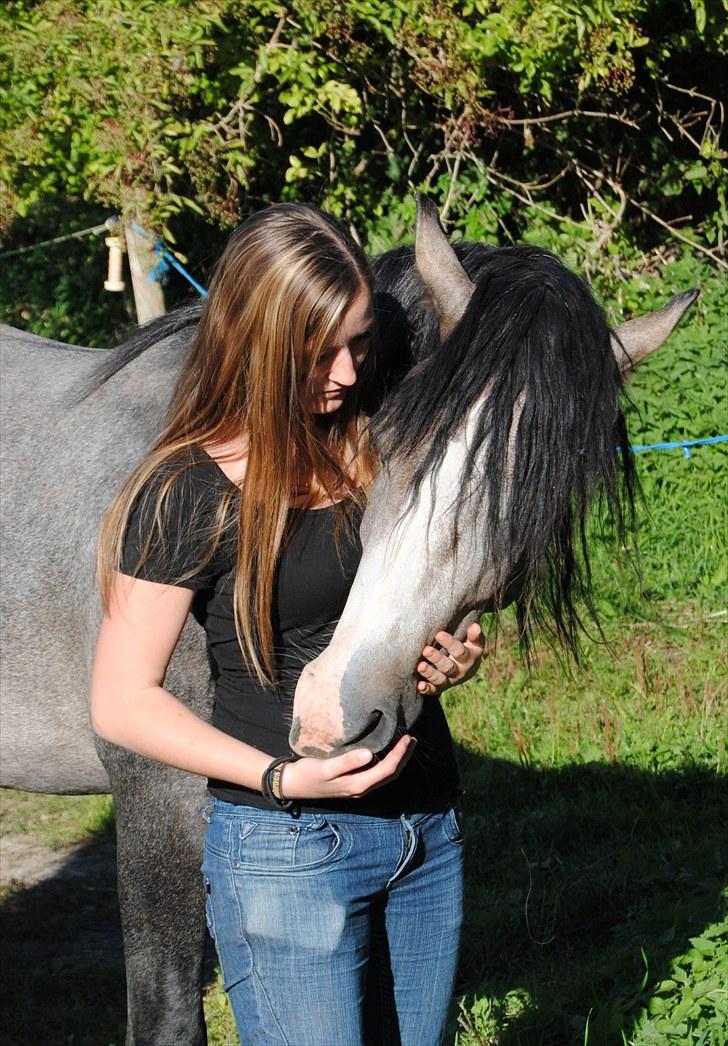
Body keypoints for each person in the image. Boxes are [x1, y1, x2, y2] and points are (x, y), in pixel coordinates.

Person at [91, 202, 484, 1045]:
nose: (346, 375)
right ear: (256, 345)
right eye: (318, 355)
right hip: (290, 849)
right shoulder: (185, 489)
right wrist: (278, 778)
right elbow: (121, 701)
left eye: (359, 342)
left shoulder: (375, 450)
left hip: (426, 829)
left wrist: (447, 655)